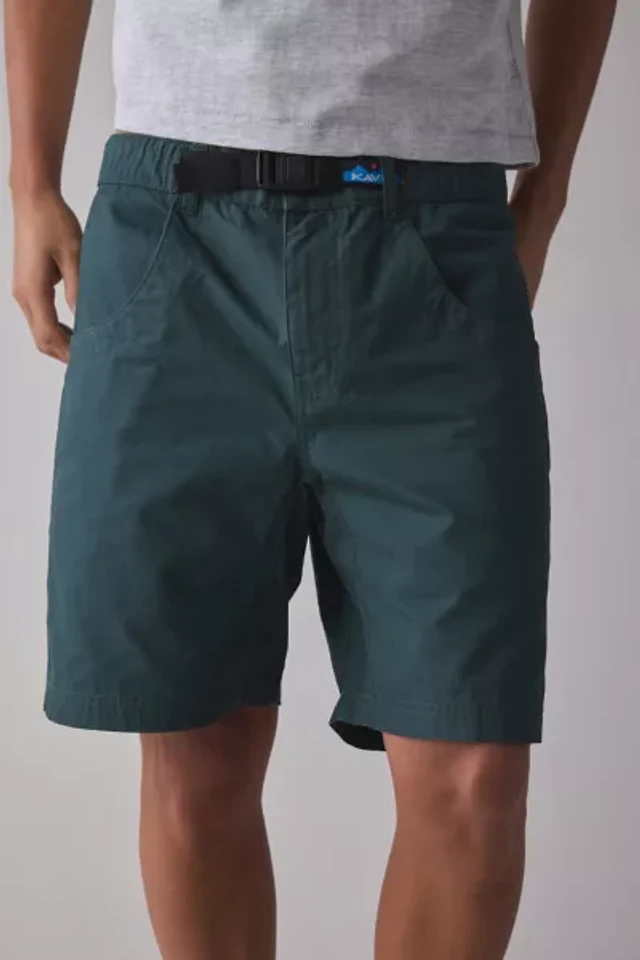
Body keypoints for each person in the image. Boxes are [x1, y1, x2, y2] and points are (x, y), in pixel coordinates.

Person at [6, 0, 617, 957]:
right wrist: (31, 176)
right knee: (197, 748)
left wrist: (544, 198)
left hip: (435, 235)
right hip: (176, 225)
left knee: (471, 771)